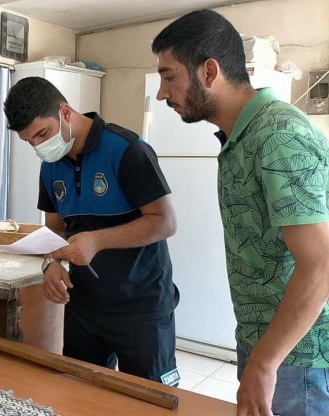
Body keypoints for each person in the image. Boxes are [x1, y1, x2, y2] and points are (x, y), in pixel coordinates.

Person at [152, 10, 329, 416]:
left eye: (169, 76)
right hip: (263, 340)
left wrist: (265, 363)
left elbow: (319, 265)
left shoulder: (279, 135)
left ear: (209, 71)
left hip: (298, 356)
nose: (162, 94)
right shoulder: (240, 137)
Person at [3, 77, 179, 384]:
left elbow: (165, 222)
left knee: (148, 403)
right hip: (84, 306)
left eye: (43, 134)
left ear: (66, 112)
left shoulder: (127, 150)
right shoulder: (51, 166)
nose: (40, 147)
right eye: (30, 141)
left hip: (140, 307)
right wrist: (52, 264)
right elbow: (55, 229)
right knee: (80, 395)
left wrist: (98, 241)